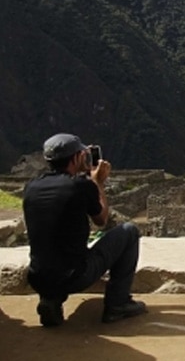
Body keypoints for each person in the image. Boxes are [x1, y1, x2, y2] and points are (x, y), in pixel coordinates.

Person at [22, 133, 147, 327]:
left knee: (55, 253)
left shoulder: (32, 187)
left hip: (37, 277)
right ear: (77, 158)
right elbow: (101, 220)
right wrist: (98, 182)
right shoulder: (80, 186)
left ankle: (50, 300)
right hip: (74, 275)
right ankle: (118, 304)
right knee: (129, 231)